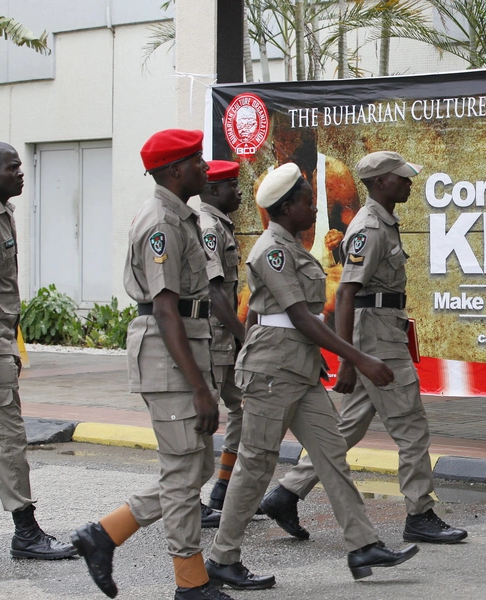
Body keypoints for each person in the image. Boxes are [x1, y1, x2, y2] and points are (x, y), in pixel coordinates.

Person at [205, 163, 419, 590]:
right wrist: (358, 358)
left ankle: (363, 545)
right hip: (271, 371)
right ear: (287, 208)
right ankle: (222, 557)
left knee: (332, 454)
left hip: (298, 368)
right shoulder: (273, 250)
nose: (314, 207)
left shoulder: (294, 247)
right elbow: (301, 317)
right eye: (307, 201)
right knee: (256, 465)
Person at [261, 151, 467, 545]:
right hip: (376, 339)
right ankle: (419, 513)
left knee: (345, 429)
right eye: (400, 177)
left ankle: (285, 494)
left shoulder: (382, 223)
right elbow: (346, 294)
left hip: (378, 333)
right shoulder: (370, 227)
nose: (408, 182)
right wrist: (348, 361)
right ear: (379, 183)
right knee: (411, 428)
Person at [71, 129, 235, 600]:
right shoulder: (160, 222)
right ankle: (190, 583)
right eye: (197, 162)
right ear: (175, 170)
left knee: (196, 466)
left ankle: (104, 534)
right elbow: (166, 310)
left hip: (185, 350)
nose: (205, 168)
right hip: (168, 358)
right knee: (185, 473)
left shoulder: (180, 215)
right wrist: (200, 388)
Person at [0, 141, 77, 561]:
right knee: (6, 439)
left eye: (21, 165)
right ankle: (26, 534)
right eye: (12, 167)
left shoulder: (1, 213)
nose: (21, 172)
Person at [198, 160, 246, 513]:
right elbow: (215, 294)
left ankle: (224, 488)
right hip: (211, 341)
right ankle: (188, 499)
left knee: (245, 408)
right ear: (213, 191)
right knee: (202, 419)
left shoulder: (222, 226)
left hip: (224, 341)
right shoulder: (208, 228)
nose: (239, 191)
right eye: (232, 184)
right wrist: (244, 334)